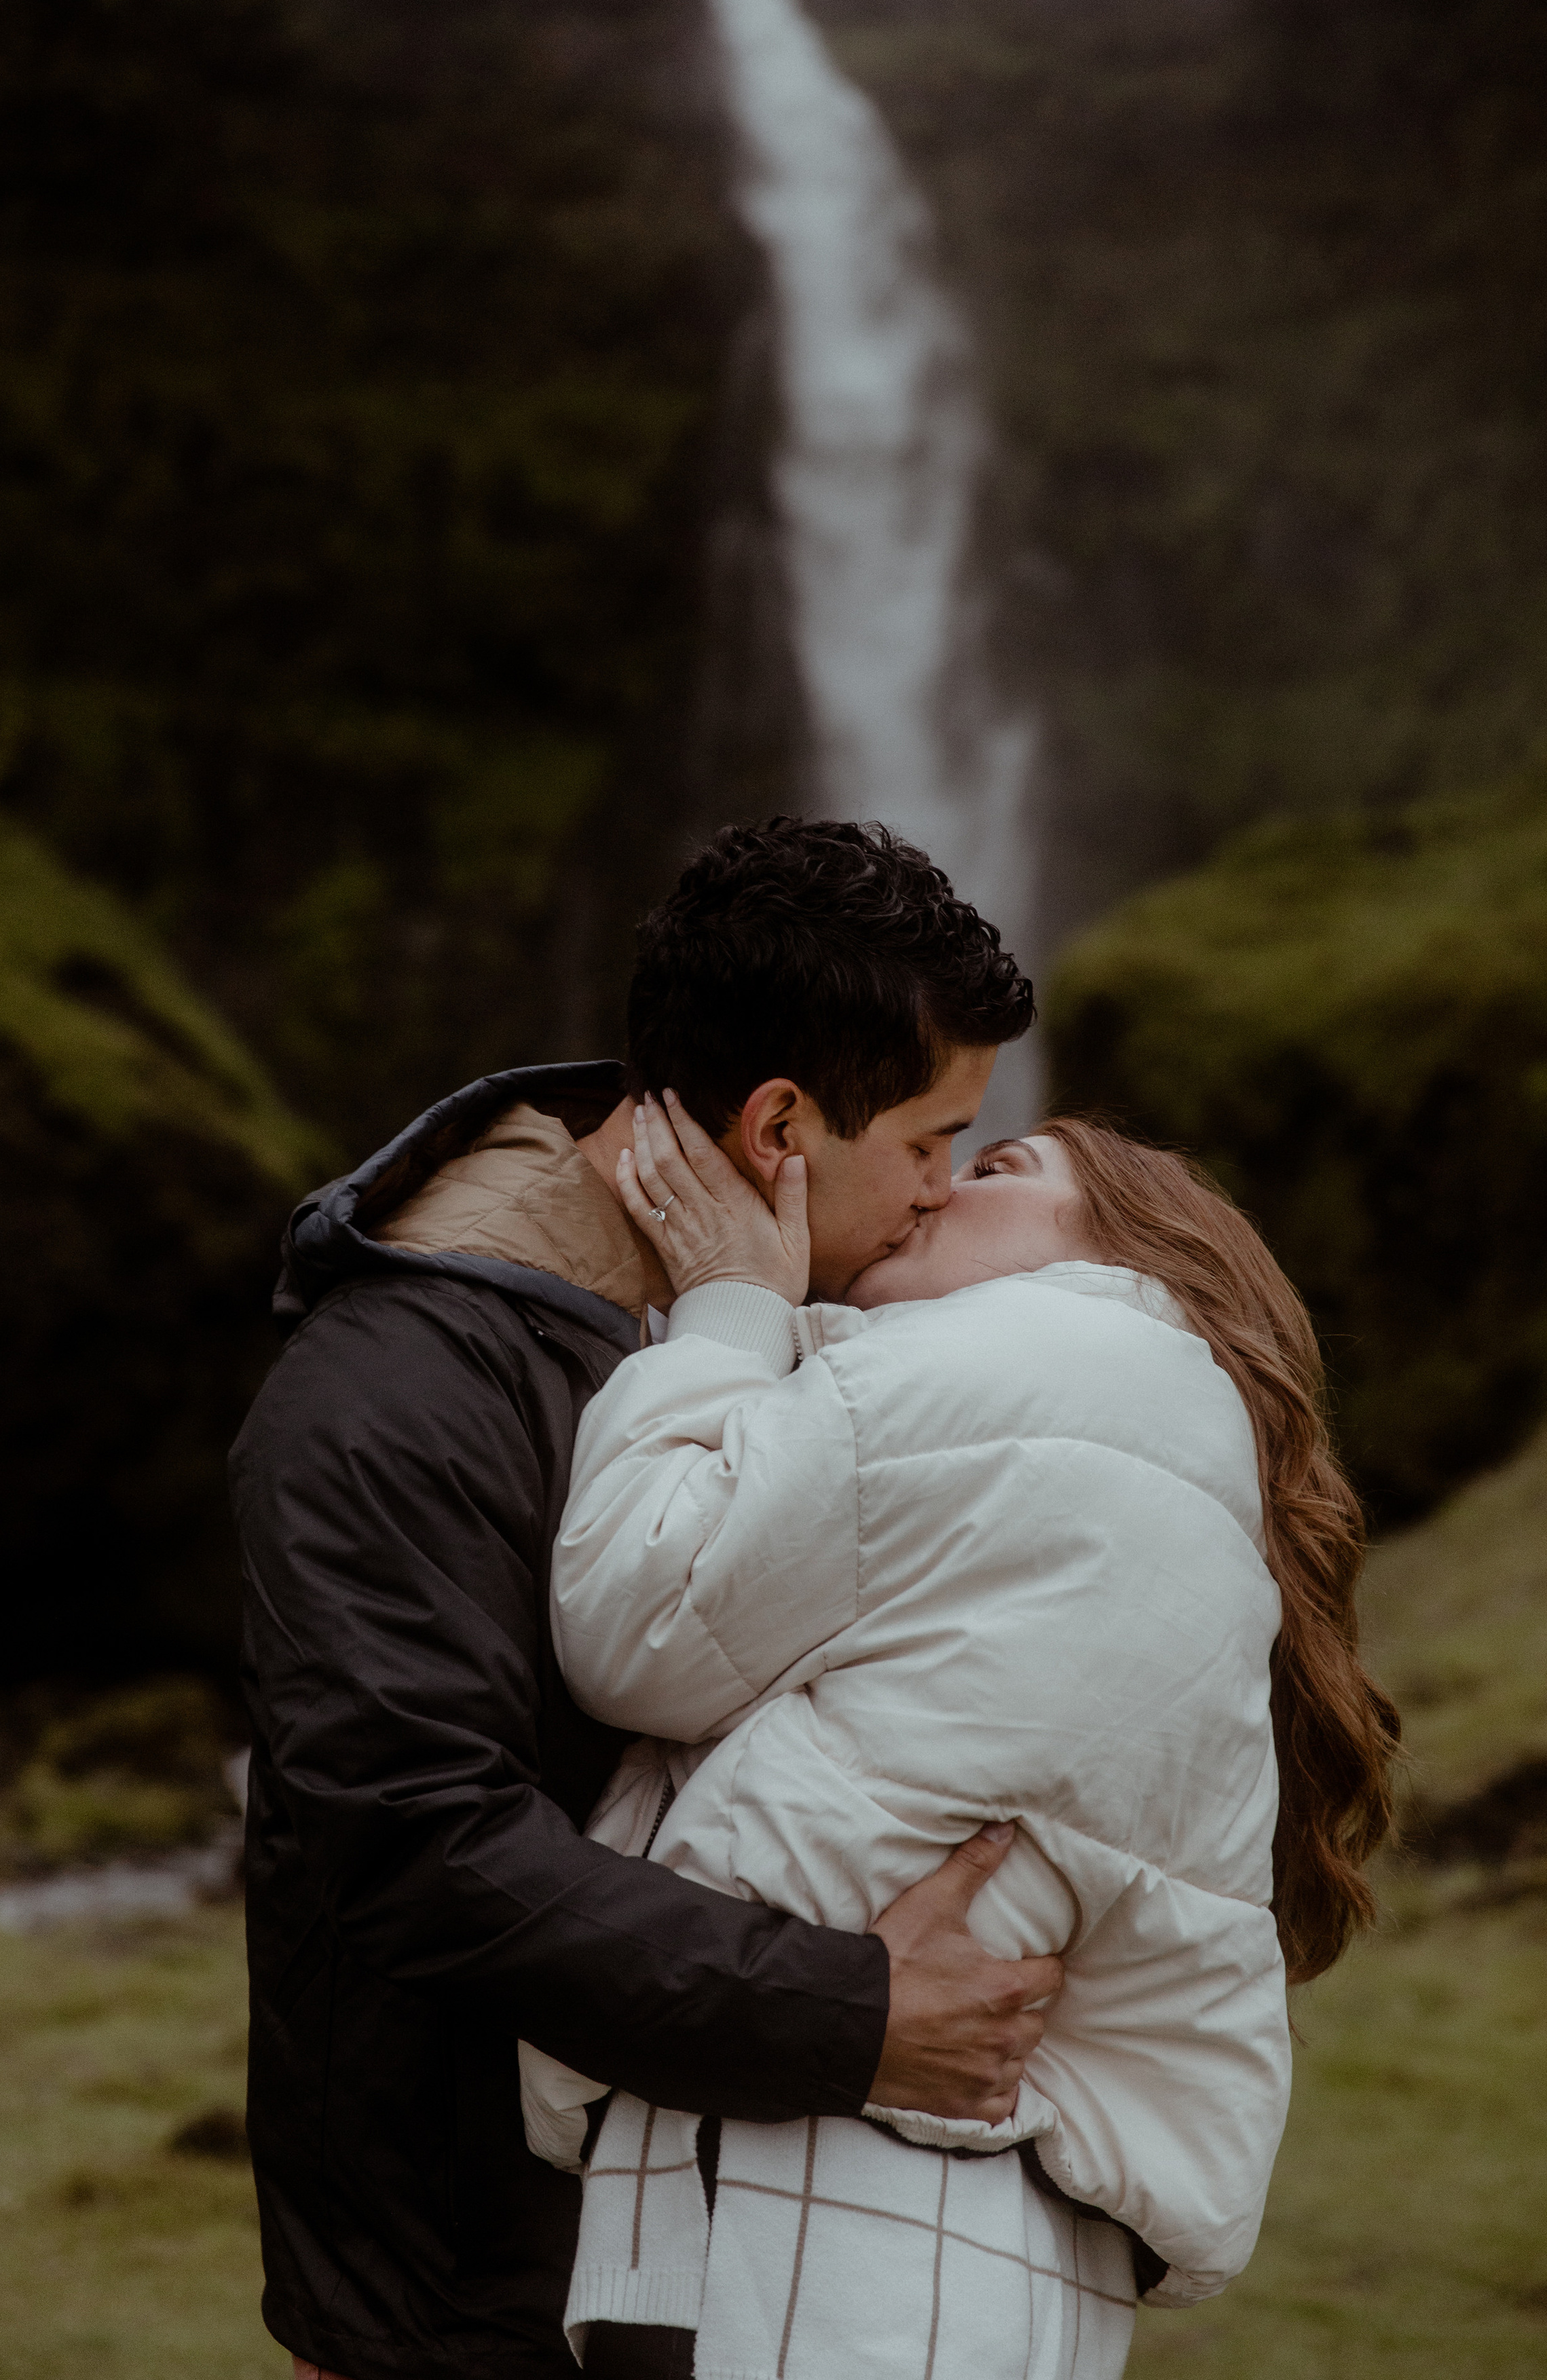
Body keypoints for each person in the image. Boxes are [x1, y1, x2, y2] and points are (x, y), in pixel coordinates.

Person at [230, 819, 1047, 2380]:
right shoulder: (390, 1395)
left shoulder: (788, 1328)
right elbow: (418, 1843)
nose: (946, 1197)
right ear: (780, 1126)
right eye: (931, 1142)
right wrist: (851, 2013)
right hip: (464, 2300)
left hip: (742, 2249)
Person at [525, 1098, 1400, 2379]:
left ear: (1133, 1252)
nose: (931, 1190)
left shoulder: (1020, 1362)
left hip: (806, 2217)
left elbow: (634, 1612)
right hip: (1017, 2254)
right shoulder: (1184, 1478)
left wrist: (732, 1307)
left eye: (994, 1167)